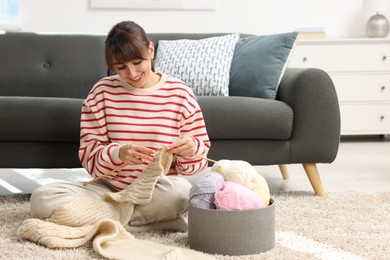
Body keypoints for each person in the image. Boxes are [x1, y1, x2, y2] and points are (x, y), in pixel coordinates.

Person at [30, 21, 210, 232]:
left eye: (137, 62)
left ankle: (100, 220)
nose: (132, 74)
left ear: (150, 50)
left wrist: (191, 150)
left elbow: (196, 164)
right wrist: (119, 153)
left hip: (157, 191)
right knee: (41, 199)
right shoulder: (101, 92)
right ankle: (146, 224)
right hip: (109, 191)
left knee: (181, 192)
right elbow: (89, 157)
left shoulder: (180, 93)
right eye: (121, 67)